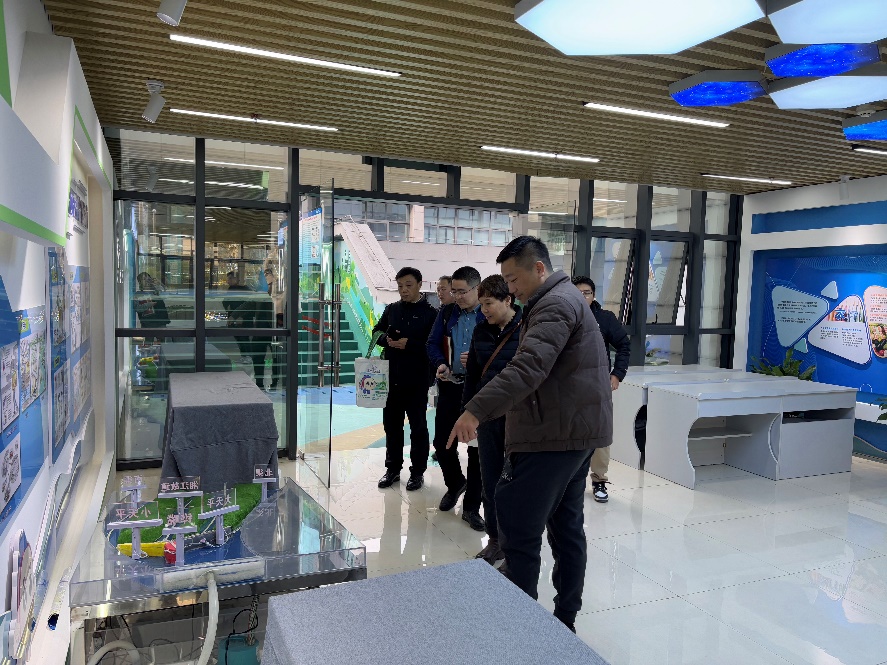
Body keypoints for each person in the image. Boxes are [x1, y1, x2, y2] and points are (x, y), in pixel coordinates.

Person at [449, 236, 613, 633]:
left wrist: (474, 410)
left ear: (539, 269)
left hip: (552, 435)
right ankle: (563, 622)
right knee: (566, 528)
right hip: (571, 431)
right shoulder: (558, 300)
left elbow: (528, 368)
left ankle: (522, 633)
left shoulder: (554, 304)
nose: (511, 288)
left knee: (519, 529)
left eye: (513, 279)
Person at [462, 274, 522, 563]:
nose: (484, 310)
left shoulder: (528, 328)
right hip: (488, 416)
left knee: (518, 482)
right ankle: (495, 539)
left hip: (520, 417)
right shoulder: (480, 331)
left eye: (489, 304)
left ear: (507, 300)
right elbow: (473, 374)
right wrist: (468, 412)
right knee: (490, 479)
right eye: (482, 304)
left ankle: (517, 544)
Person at [426, 266, 485, 531]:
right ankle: (455, 483)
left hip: (478, 390)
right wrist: (440, 362)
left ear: (477, 289)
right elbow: (432, 343)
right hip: (451, 385)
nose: (457, 296)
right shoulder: (448, 312)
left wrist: (478, 359)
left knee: (476, 450)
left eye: (462, 292)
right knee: (442, 443)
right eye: (454, 291)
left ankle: (472, 507)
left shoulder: (488, 312)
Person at [374, 267, 438, 491]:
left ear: (420, 285)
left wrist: (409, 344)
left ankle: (417, 472)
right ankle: (392, 469)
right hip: (391, 379)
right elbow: (376, 332)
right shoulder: (392, 309)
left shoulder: (431, 314)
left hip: (417, 380)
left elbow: (433, 346)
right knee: (392, 426)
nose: (404, 290)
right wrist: (386, 340)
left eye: (408, 285)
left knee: (418, 428)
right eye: (400, 286)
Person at [573, 276, 631, 503]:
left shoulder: (605, 318)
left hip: (597, 387)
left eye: (586, 293)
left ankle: (599, 480)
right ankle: (570, 480)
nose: (582, 297)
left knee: (600, 435)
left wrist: (617, 374)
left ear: (593, 295)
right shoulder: (563, 316)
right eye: (577, 293)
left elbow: (624, 345)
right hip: (570, 387)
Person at [430, 276, 454, 464]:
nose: (440, 293)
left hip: (474, 382)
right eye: (438, 289)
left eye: (443, 289)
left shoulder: (480, 313)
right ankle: (444, 450)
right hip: (446, 378)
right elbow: (432, 343)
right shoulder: (443, 313)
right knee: (443, 429)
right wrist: (440, 362)